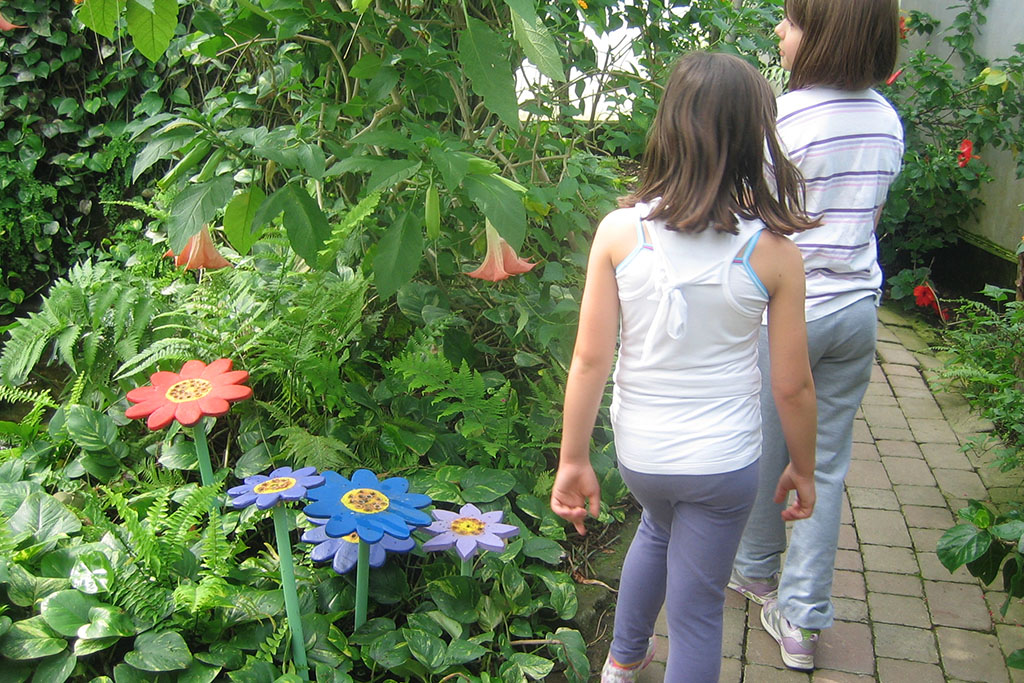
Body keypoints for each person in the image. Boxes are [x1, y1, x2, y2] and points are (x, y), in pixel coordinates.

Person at [549, 51, 818, 683]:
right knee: (697, 612)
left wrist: (573, 459)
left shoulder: (619, 233)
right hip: (723, 464)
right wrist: (803, 467)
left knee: (656, 528)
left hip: (642, 453)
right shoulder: (775, 254)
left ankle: (621, 662)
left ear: (668, 127)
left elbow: (590, 358)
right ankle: (630, 658)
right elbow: (793, 385)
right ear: (756, 140)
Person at [729, 0, 904, 672]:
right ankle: (779, 596)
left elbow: (751, 214)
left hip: (792, 313)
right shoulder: (886, 121)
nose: (780, 30)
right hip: (857, 307)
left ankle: (775, 591)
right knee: (820, 463)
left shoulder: (786, 116)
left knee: (769, 446)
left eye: (793, 22)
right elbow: (868, 213)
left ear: (824, 37)